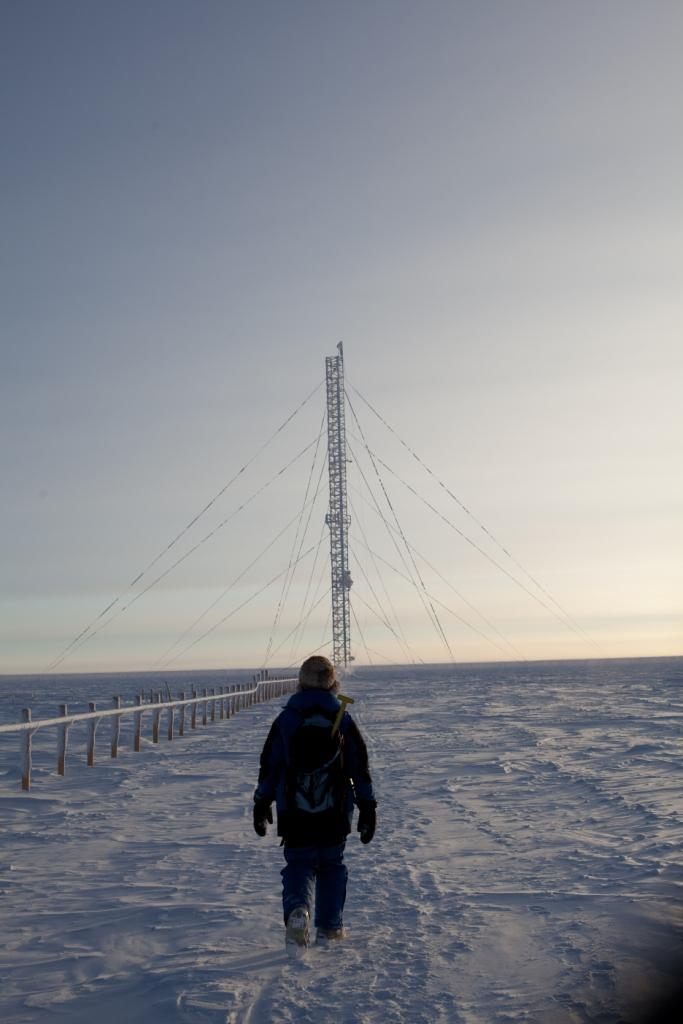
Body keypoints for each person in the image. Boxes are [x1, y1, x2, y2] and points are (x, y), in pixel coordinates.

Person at [253, 655, 376, 947]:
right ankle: (330, 927)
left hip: (294, 810)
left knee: (299, 864)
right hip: (334, 811)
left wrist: (262, 802)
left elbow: (270, 765)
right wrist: (367, 806)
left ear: (300, 682)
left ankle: (298, 910)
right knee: (332, 864)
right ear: (333, 683)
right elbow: (359, 766)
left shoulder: (287, 719)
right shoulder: (342, 718)